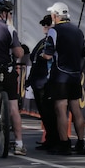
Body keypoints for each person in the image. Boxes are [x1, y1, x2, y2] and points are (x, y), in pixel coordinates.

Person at [41, 0, 85, 155]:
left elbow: (48, 54)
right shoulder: (78, 31)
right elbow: (84, 53)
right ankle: (81, 143)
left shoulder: (55, 31)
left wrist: (44, 55)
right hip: (75, 75)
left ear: (55, 15)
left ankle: (64, 143)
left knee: (61, 110)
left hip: (60, 75)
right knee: (76, 109)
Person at [0, 0, 26, 155]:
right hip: (6, 71)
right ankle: (19, 144)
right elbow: (18, 53)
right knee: (13, 107)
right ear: (4, 13)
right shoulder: (9, 28)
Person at [27, 14, 58, 151]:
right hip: (37, 81)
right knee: (45, 114)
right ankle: (49, 139)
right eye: (43, 24)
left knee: (50, 113)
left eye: (48, 23)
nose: (45, 26)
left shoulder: (51, 41)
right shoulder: (42, 41)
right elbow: (34, 59)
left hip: (46, 82)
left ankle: (53, 140)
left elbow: (49, 58)